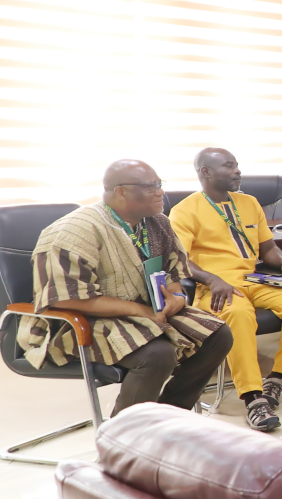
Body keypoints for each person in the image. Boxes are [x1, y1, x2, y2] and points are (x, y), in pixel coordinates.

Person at [21, 160, 232, 415]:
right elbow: (64, 299)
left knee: (217, 336)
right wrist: (139, 311)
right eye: (151, 186)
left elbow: (172, 271)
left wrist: (176, 295)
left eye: (160, 184)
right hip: (81, 320)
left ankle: (169, 417)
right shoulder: (74, 231)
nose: (160, 192)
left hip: (145, 312)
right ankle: (123, 437)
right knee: (157, 354)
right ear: (121, 192)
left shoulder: (157, 223)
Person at [169, 148, 282, 431]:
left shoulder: (249, 203)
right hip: (214, 286)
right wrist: (212, 280)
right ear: (206, 173)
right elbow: (180, 260)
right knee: (238, 314)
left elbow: (268, 248)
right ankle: (253, 398)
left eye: (237, 165)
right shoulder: (185, 210)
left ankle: (277, 378)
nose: (237, 171)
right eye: (229, 166)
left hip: (253, 279)